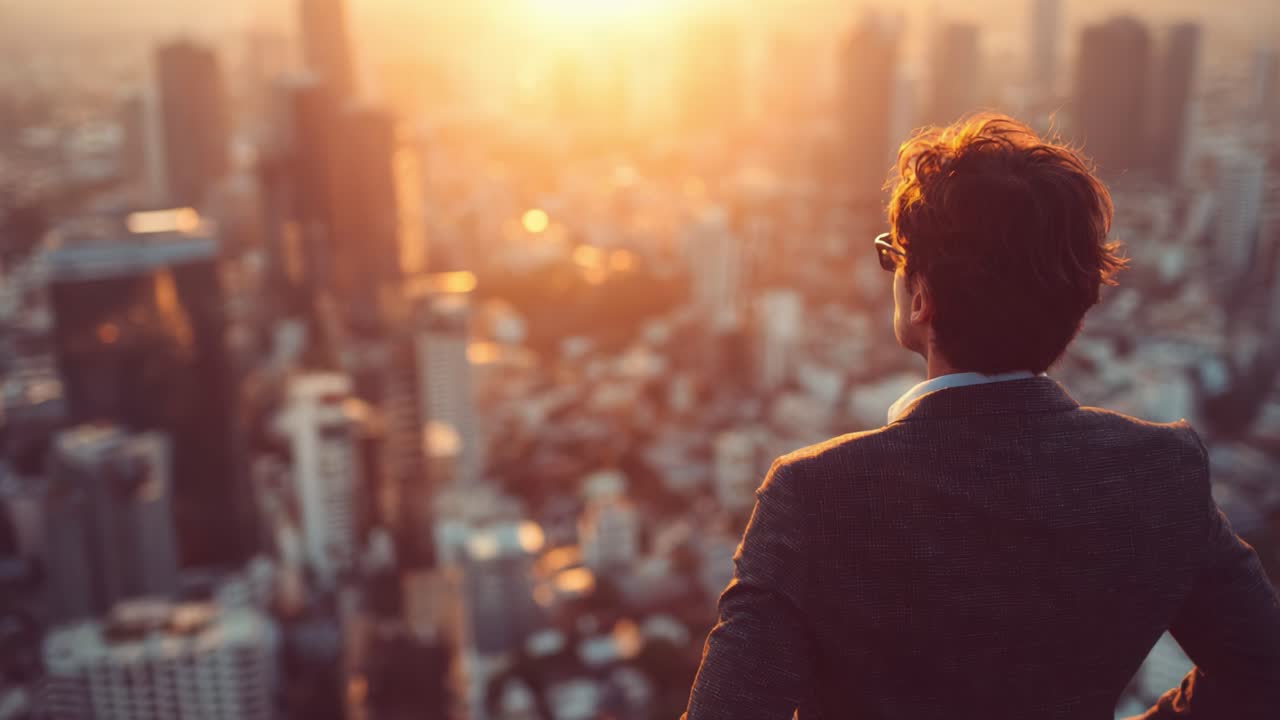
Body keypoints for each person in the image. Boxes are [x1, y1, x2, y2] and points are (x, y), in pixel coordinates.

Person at [682, 114, 1280, 719]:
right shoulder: (1161, 473)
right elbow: (1265, 670)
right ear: (1076, 303)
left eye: (893, 258)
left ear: (922, 298)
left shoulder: (816, 496)